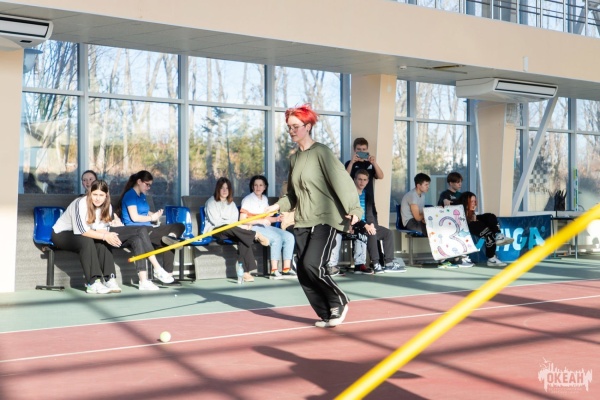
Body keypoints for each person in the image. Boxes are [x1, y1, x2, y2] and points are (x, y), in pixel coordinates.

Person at [265, 104, 362, 328]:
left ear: (307, 127)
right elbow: (292, 195)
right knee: (303, 271)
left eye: (295, 126)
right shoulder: (294, 159)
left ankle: (339, 300)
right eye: (289, 127)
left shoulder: (321, 152)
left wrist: (354, 209)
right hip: (303, 221)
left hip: (325, 219)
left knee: (312, 265)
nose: (291, 131)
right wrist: (276, 206)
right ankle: (327, 313)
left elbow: (342, 181)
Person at [52, 180, 174, 292]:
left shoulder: (107, 207)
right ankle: (93, 282)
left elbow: (101, 229)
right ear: (90, 193)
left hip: (86, 233)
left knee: (118, 237)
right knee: (88, 240)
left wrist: (109, 235)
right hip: (62, 234)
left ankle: (111, 279)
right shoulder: (80, 203)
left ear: (106, 195)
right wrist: (105, 236)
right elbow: (83, 231)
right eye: (95, 194)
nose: (98, 198)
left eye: (101, 195)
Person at [117, 170, 185, 281]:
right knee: (167, 241)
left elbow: (144, 212)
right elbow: (135, 217)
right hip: (137, 230)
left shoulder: (142, 196)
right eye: (147, 184)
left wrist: (155, 215)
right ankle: (166, 273)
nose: (148, 188)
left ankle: (171, 239)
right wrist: (151, 218)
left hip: (149, 227)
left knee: (179, 226)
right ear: (139, 181)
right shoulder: (130, 195)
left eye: (150, 185)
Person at [203, 177, 270, 283]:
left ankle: (245, 272)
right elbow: (215, 221)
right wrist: (230, 223)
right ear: (218, 189)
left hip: (231, 230)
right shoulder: (211, 202)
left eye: (227, 188)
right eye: (222, 188)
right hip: (216, 230)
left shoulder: (231, 203)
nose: (225, 190)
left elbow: (235, 221)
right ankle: (255, 234)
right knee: (233, 229)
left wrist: (230, 223)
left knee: (242, 238)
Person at [240, 175, 296, 278]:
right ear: (252, 187)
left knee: (289, 237)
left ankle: (286, 269)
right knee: (276, 238)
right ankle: (274, 271)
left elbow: (266, 219)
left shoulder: (264, 199)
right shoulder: (247, 200)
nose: (258, 187)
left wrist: (276, 219)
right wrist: (260, 221)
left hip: (264, 227)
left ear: (265, 187)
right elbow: (242, 220)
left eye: (261, 185)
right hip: (253, 227)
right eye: (256, 185)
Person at [353, 169, 406, 274]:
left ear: (368, 181)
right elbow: (350, 214)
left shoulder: (368, 194)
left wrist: (372, 224)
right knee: (371, 233)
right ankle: (376, 264)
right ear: (354, 179)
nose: (362, 182)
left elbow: (370, 213)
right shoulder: (350, 194)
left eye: (364, 180)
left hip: (368, 224)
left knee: (388, 233)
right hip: (356, 225)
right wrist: (367, 226)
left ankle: (389, 263)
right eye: (359, 179)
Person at [459, 191, 514, 267]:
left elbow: (474, 217)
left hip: (473, 220)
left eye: (475, 201)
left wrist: (473, 215)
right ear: (466, 202)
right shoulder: (460, 209)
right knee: (489, 233)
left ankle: (498, 234)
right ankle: (491, 258)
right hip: (467, 224)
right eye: (471, 201)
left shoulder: (471, 212)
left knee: (490, 216)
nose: (474, 203)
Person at [436, 171, 474, 268]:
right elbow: (443, 203)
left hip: (460, 222)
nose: (460, 184)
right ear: (450, 183)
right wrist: (445, 201)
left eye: (460, 182)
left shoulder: (461, 195)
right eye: (457, 182)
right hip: (447, 223)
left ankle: (460, 257)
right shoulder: (445, 194)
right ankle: (456, 258)